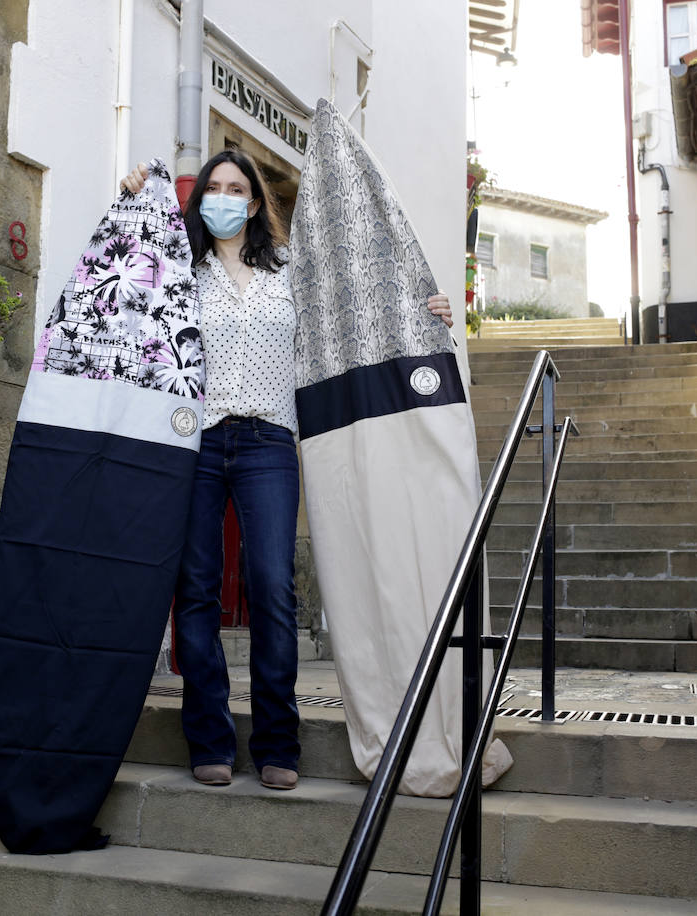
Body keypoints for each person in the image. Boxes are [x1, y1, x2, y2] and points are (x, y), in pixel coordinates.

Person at [122, 149, 453, 792]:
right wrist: (133, 191)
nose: (222, 196)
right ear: (202, 201)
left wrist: (425, 312)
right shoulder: (180, 274)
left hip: (270, 442)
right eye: (211, 187)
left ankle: (278, 741)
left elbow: (356, 314)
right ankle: (210, 738)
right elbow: (126, 291)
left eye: (235, 188)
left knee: (272, 586)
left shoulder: (290, 273)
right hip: (196, 444)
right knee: (195, 592)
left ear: (253, 203)